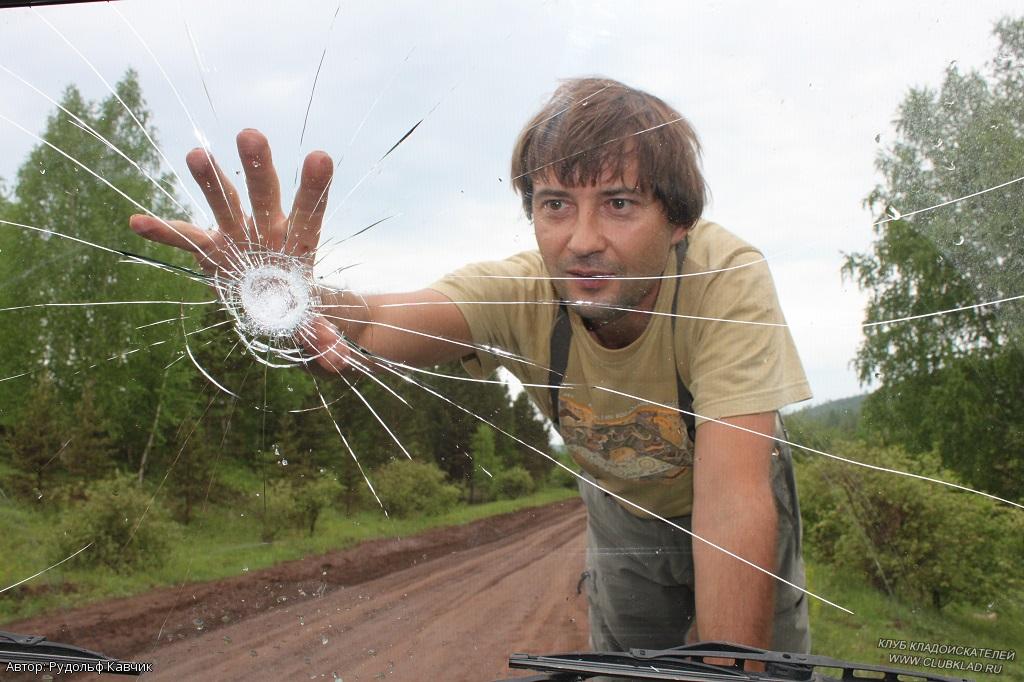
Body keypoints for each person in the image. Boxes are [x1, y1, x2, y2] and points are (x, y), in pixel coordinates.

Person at [129, 77, 811, 655]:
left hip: (729, 489)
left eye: (620, 203)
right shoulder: (520, 290)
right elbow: (368, 321)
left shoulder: (726, 277)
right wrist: (288, 295)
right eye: (554, 206)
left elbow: (731, 502)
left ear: (679, 220)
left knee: (764, 660)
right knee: (630, 664)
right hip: (622, 511)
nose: (582, 241)